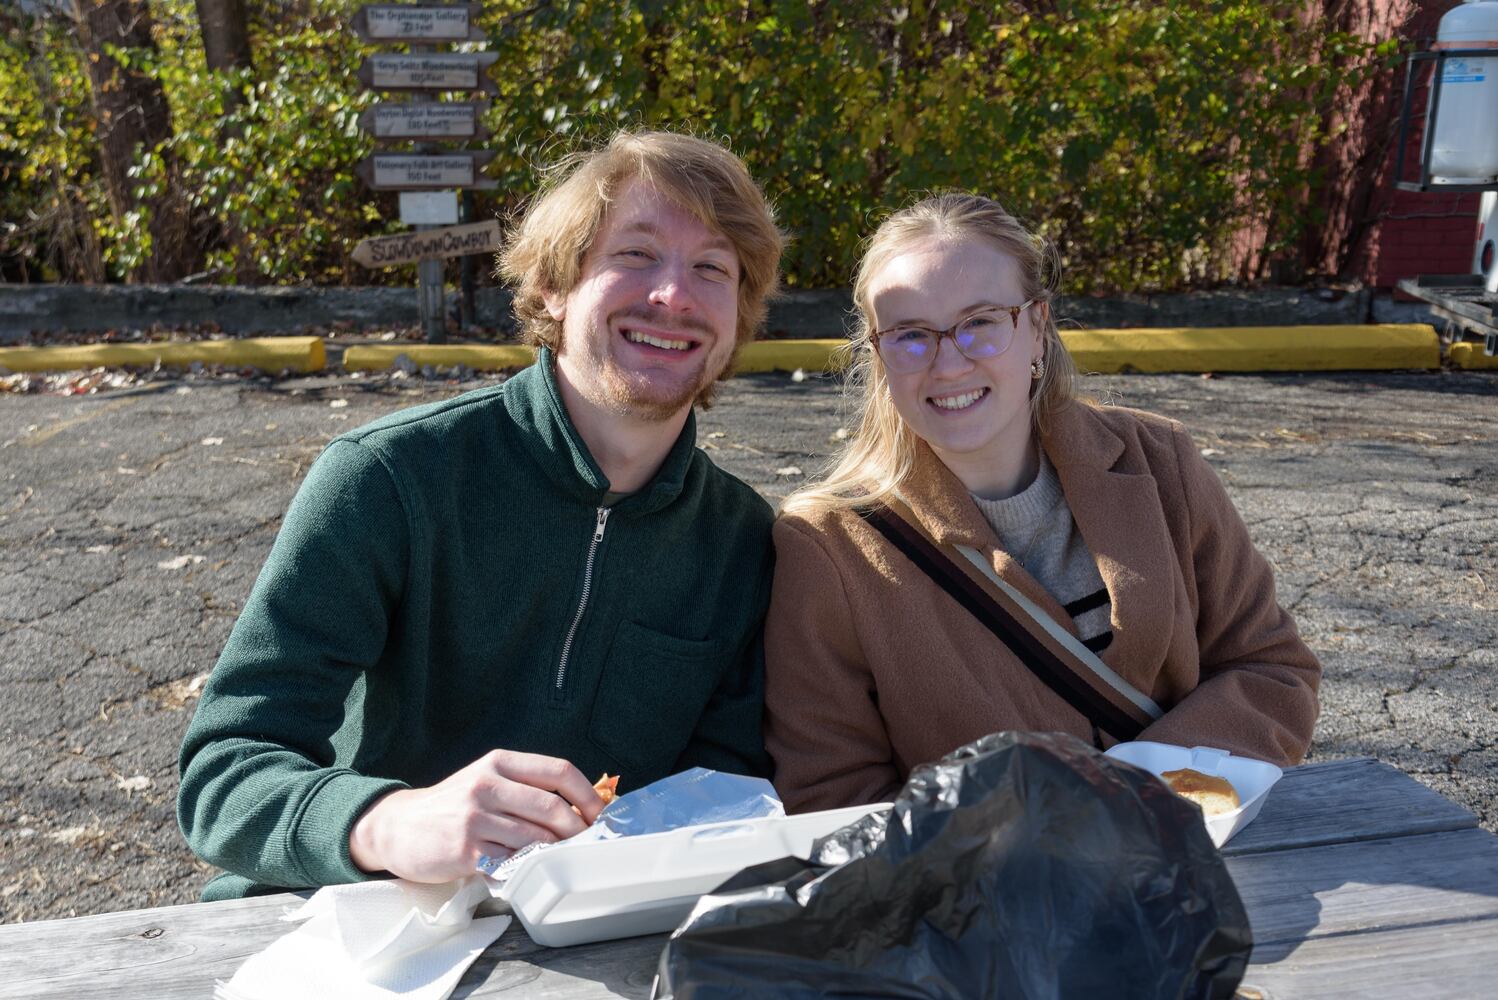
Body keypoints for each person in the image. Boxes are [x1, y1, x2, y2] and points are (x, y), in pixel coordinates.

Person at [177, 130, 786, 899]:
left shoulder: (742, 542)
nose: (674, 294)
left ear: (738, 318)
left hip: (598, 931)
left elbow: (723, 793)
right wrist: (390, 824)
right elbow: (224, 774)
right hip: (350, 921)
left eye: (712, 269)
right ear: (554, 287)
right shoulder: (388, 477)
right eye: (635, 254)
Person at [763, 193, 1320, 813]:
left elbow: (1271, 669)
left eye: (981, 322)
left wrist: (1136, 790)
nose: (949, 363)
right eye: (910, 335)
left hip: (1200, 844)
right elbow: (832, 792)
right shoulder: (827, 545)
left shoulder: (1161, 461)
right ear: (878, 355)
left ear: (1037, 328)